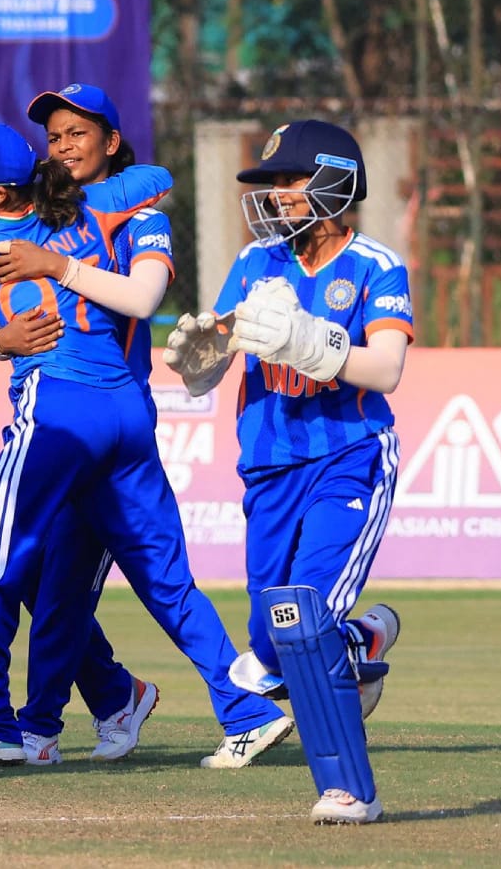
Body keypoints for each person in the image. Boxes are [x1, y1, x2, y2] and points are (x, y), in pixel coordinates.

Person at [0, 124, 293, 767]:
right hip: (124, 411)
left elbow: (15, 312)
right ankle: (246, 710)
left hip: (59, 408)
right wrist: (83, 211)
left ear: (0, 194)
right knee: (159, 583)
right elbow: (154, 178)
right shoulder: (100, 210)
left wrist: (16, 315)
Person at [0, 83, 236, 764]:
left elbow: (144, 297)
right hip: (63, 415)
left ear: (112, 141)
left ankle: (232, 706)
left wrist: (58, 264)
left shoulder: (139, 212)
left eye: (77, 133)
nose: (63, 146)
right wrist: (0, 341)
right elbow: (2, 316)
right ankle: (91, 708)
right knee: (46, 581)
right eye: (54, 136)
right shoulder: (45, 214)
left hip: (113, 417)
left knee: (124, 581)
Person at [163, 119, 409, 824]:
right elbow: (220, 351)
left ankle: (347, 789)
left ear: (335, 181)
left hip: (348, 456)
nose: (277, 194)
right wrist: (203, 360)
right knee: (270, 646)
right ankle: (361, 642)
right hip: (270, 468)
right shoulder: (256, 261)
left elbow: (387, 369)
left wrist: (313, 344)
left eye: (291, 180)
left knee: (303, 619)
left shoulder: (375, 265)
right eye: (272, 183)